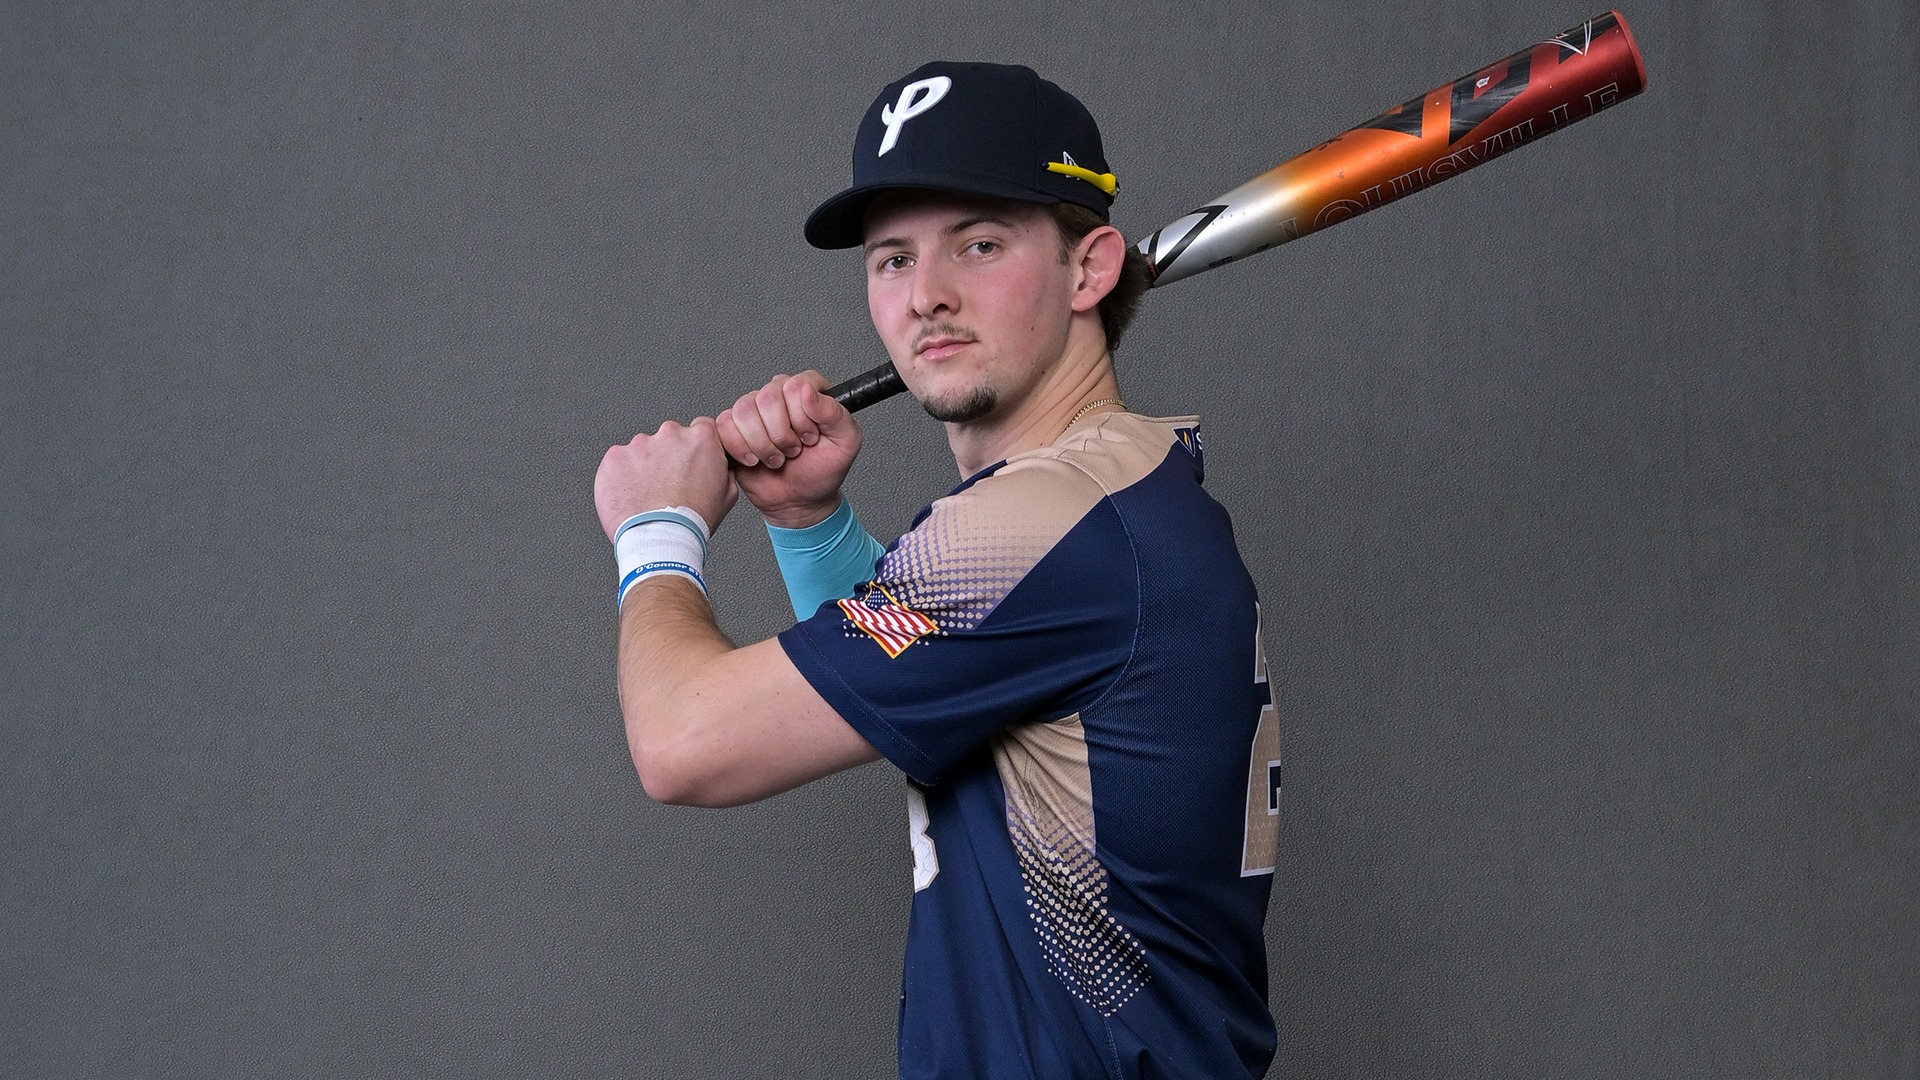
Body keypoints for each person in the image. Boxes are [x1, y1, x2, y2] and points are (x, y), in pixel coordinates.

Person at [593, 61, 1282, 1078]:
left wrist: (655, 531)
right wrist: (812, 525)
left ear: (1090, 269)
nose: (927, 298)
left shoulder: (1041, 524)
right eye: (891, 260)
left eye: (982, 244)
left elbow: (683, 742)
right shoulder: (1112, 500)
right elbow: (934, 712)